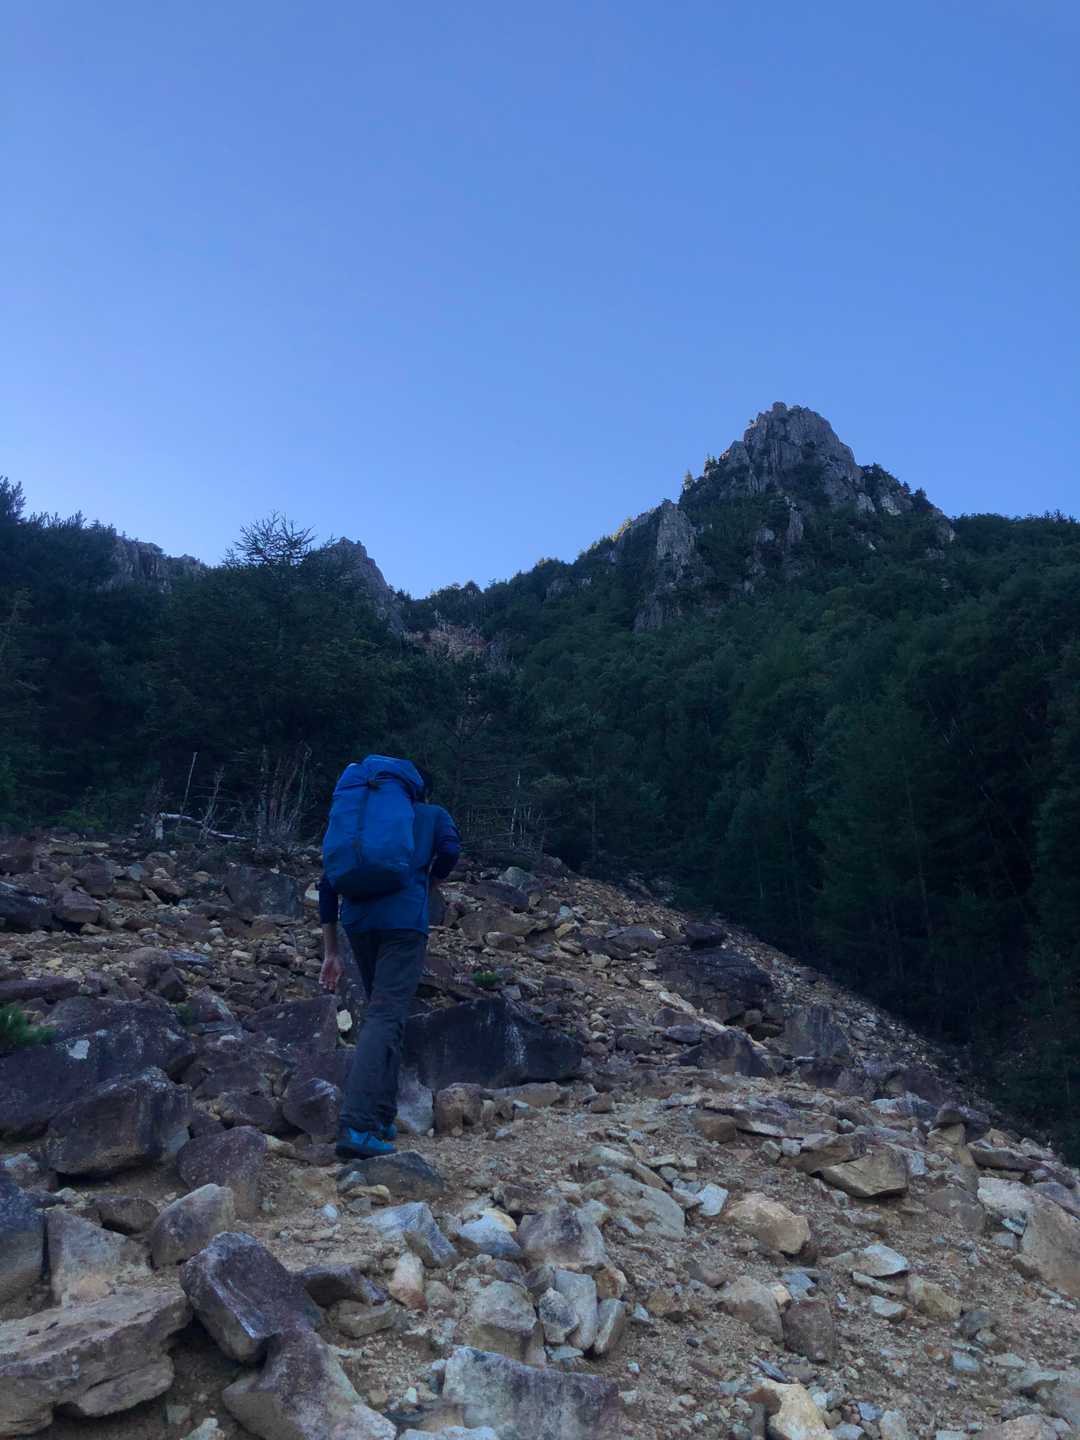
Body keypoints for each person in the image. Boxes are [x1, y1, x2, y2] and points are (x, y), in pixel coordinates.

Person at [318, 759, 460, 1160]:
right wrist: (431, 880)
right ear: (418, 789)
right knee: (385, 1016)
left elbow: (327, 884)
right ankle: (357, 1125)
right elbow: (451, 850)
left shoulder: (357, 822)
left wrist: (331, 952)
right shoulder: (432, 815)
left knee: (386, 1016)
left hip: (358, 924)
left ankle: (381, 1115)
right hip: (403, 925)